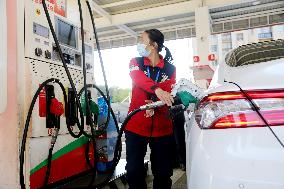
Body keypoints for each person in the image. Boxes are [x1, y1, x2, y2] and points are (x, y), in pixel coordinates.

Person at [125, 29, 176, 189]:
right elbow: (138, 79)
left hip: (162, 127)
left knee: (163, 172)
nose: (139, 44)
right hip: (136, 125)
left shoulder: (170, 69)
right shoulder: (136, 62)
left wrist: (154, 103)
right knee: (134, 171)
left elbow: (168, 92)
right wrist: (157, 90)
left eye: (142, 40)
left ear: (153, 45)